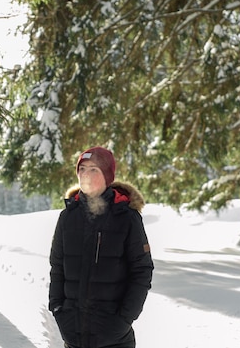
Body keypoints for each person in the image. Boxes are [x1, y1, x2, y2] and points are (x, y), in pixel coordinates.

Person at [49, 146, 154, 348]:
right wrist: (58, 309)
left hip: (114, 339)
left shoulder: (127, 218)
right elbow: (57, 266)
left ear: (107, 176)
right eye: (82, 169)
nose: (85, 175)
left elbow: (142, 271)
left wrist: (124, 319)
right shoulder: (68, 217)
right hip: (73, 337)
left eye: (94, 169)